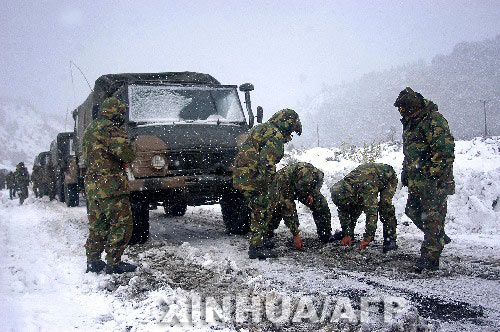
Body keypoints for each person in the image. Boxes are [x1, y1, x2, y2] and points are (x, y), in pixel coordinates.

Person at [394, 87, 455, 272]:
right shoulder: (411, 122)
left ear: (411, 107)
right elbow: (410, 152)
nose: (401, 113)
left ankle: (430, 258)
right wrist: (406, 172)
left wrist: (433, 176)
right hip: (417, 181)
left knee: (432, 219)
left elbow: (445, 152)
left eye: (403, 109)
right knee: (412, 211)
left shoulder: (433, 120)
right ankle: (437, 238)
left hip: (434, 182)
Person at [233, 108, 302, 259]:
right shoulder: (274, 135)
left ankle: (261, 240)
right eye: (291, 128)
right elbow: (267, 162)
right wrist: (270, 184)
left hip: (244, 173)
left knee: (260, 206)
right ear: (287, 123)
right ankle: (256, 247)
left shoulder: (262, 128)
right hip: (254, 176)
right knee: (262, 206)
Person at [83, 97, 136, 274]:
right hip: (111, 185)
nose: (122, 115)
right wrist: (131, 144)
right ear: (114, 112)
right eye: (121, 112)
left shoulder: (89, 130)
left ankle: (93, 260)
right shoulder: (111, 130)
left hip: (92, 185)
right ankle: (114, 262)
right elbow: (126, 155)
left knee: (98, 225)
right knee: (122, 223)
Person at [330, 163, 398, 253]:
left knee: (385, 207)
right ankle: (349, 235)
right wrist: (347, 234)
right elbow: (343, 210)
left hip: (387, 177)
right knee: (353, 208)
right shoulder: (342, 189)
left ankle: (390, 238)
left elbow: (372, 213)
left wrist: (367, 238)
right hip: (368, 180)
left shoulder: (366, 187)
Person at [267, 162, 333, 249]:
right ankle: (266, 233)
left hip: (304, 188)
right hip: (280, 187)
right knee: (277, 209)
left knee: (321, 204)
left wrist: (311, 193)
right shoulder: (284, 182)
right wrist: (296, 235)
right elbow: (288, 209)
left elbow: (319, 182)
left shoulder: (317, 174)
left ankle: (325, 233)